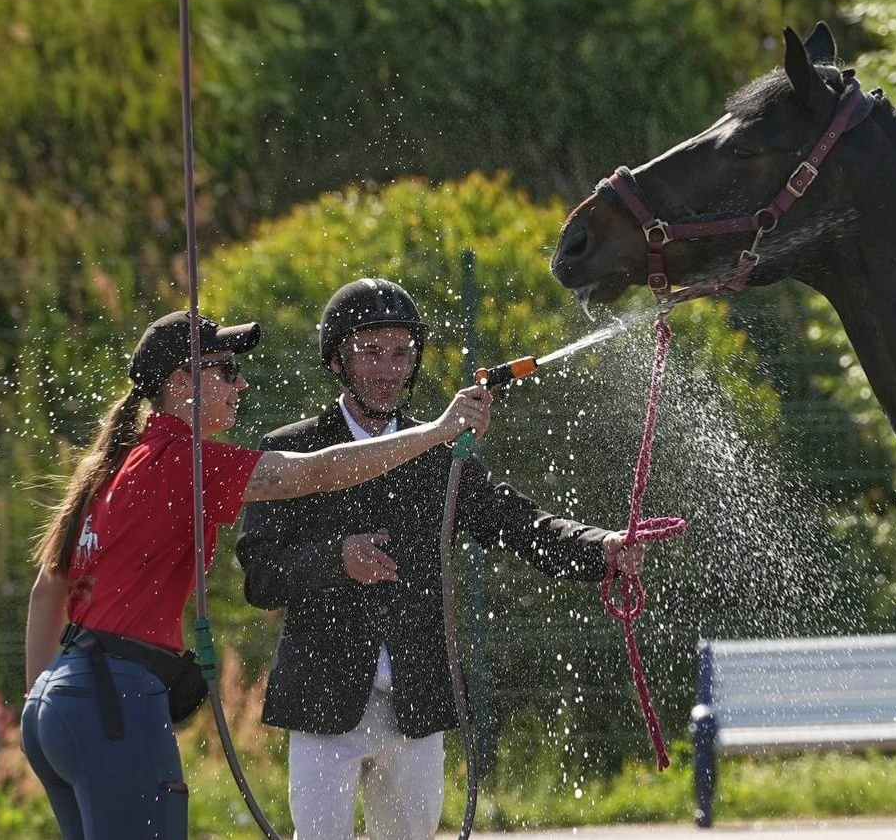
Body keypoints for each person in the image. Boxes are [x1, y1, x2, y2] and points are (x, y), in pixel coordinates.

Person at [21, 309, 491, 840]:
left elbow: (46, 590)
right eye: (224, 370)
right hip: (115, 699)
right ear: (181, 383)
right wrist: (438, 431)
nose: (240, 382)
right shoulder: (180, 460)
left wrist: (39, 706)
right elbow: (315, 472)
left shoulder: (121, 461)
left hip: (56, 702)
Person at [236, 278, 646, 840]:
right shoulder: (290, 450)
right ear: (336, 360)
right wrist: (338, 560)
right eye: (370, 351)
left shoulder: (438, 449)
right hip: (322, 701)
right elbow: (259, 578)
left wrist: (601, 548)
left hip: (418, 699)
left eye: (401, 351)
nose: (388, 368)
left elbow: (514, 522)